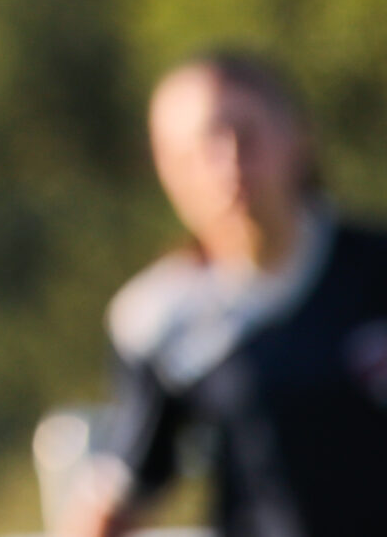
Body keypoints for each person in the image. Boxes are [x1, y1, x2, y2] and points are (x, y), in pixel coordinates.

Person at [66, 50, 387, 537]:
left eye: (246, 134)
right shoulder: (160, 317)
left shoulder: (375, 271)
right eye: (197, 148)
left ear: (299, 136)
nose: (229, 162)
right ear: (165, 169)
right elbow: (124, 490)